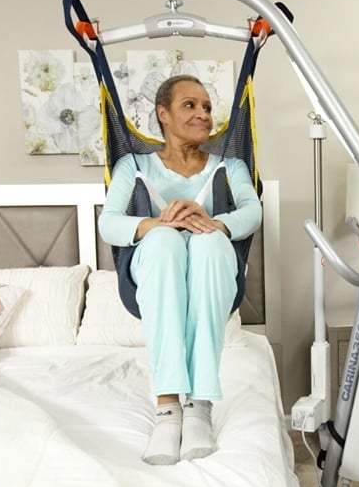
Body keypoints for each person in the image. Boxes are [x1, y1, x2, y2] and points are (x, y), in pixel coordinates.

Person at [98, 75, 262, 466]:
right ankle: (169, 406)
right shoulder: (133, 166)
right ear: (163, 114)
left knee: (206, 242)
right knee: (165, 242)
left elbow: (251, 211)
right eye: (190, 105)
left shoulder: (231, 166)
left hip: (214, 266)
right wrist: (157, 225)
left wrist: (213, 222)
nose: (203, 114)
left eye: (206, 107)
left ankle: (199, 405)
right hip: (154, 266)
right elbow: (109, 223)